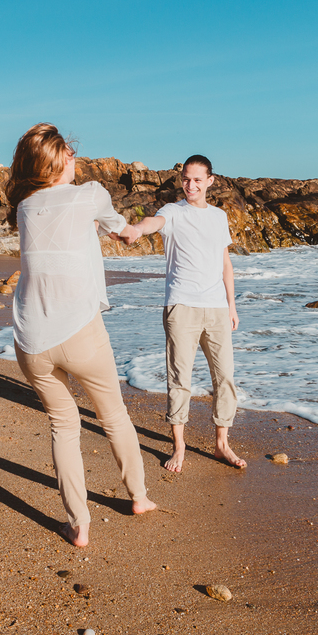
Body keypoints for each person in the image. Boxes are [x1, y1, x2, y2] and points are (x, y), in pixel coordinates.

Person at [6, 123, 157, 547]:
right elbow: (122, 230)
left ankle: (78, 525)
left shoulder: (24, 207)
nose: (76, 158)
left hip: (30, 338)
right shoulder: (90, 194)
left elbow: (66, 232)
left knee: (63, 426)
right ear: (55, 161)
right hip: (79, 333)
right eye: (69, 153)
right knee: (113, 417)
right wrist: (139, 229)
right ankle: (139, 497)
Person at [124, 155, 246, 472]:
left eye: (197, 180)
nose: (191, 185)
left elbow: (225, 263)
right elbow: (153, 223)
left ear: (210, 181)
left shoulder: (219, 217)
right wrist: (136, 229)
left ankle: (222, 444)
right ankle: (179, 447)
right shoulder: (173, 211)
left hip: (217, 309)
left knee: (225, 378)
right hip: (182, 308)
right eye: (186, 179)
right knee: (180, 380)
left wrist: (232, 306)